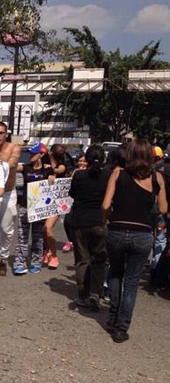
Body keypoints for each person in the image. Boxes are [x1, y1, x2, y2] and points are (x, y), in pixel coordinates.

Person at [101, 138, 167, 343]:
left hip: (117, 229)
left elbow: (105, 205)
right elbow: (164, 209)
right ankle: (121, 328)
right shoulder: (157, 178)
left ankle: (112, 317)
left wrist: (106, 222)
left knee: (115, 273)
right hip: (142, 233)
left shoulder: (118, 174)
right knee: (131, 283)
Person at [68, 145, 110, 310]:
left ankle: (83, 294)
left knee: (82, 259)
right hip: (99, 222)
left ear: (87, 158)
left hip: (79, 222)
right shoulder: (108, 177)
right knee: (99, 259)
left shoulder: (79, 176)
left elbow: (72, 194)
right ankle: (95, 292)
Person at [14, 143, 55, 275]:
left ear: (41, 154)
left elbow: (53, 184)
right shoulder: (25, 167)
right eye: (30, 153)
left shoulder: (48, 170)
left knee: (37, 238)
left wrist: (52, 175)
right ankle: (19, 263)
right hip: (24, 207)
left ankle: (36, 262)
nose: (30, 156)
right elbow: (13, 167)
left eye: (33, 153)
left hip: (39, 209)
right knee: (22, 237)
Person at [0, 122, 20, 276]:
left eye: (1, 132)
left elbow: (14, 161)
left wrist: (3, 165)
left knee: (6, 228)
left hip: (8, 192)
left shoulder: (13, 147)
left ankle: (3, 258)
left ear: (6, 133)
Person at [42, 144, 67, 269]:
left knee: (48, 227)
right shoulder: (43, 161)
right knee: (43, 230)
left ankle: (54, 255)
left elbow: (58, 171)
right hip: (42, 200)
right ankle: (47, 250)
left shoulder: (61, 166)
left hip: (56, 201)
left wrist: (49, 169)